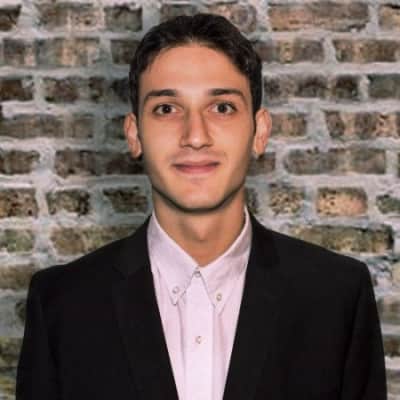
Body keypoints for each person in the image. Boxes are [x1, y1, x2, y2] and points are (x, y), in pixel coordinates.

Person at [16, 13, 387, 400]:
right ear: (134, 134)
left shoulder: (337, 297)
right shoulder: (62, 304)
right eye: (167, 109)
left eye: (222, 108)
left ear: (259, 132)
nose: (195, 136)